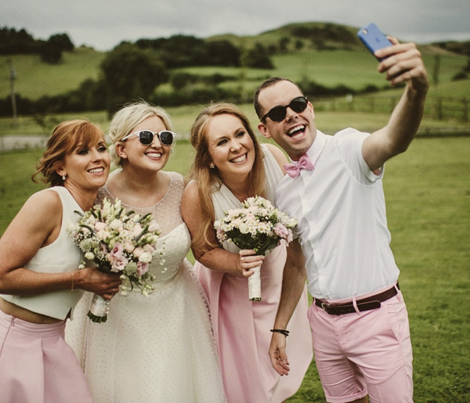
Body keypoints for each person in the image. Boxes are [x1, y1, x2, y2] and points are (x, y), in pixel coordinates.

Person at [254, 37, 429, 403]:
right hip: (324, 323)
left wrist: (416, 89)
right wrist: (281, 327)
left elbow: (395, 139)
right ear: (265, 129)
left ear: (310, 108)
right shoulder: (283, 191)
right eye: (277, 113)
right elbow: (297, 263)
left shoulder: (349, 151)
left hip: (375, 316)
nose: (291, 114)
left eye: (297, 104)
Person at [65, 102, 226, 403]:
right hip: (114, 318)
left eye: (164, 137)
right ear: (121, 148)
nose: (157, 144)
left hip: (178, 313)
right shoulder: (96, 194)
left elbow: (204, 248)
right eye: (146, 136)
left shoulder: (182, 187)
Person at [0, 120, 122, 403]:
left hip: (55, 341)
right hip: (14, 345)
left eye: (101, 148)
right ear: (61, 167)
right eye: (83, 151)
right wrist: (78, 280)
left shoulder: (96, 212)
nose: (97, 158)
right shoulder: (48, 203)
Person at [181, 103, 313, 403]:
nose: (237, 146)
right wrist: (234, 262)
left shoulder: (273, 159)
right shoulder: (198, 191)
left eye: (240, 134)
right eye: (222, 142)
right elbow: (202, 250)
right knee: (242, 379)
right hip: (230, 292)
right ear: (209, 158)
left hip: (280, 279)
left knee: (277, 365)